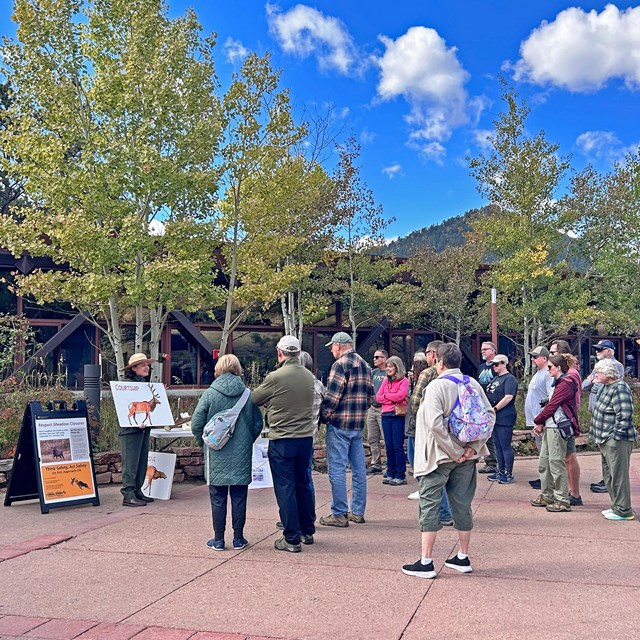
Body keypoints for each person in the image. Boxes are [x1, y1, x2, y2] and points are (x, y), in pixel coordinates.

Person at [402, 343, 495, 579]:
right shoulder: (472, 383)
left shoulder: (436, 386)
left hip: (438, 456)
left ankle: (426, 562)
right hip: (467, 456)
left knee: (430, 505)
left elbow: (433, 424)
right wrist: (470, 449)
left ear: (439, 362)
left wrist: (453, 451)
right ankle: (462, 556)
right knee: (462, 504)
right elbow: (489, 415)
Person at [191, 354, 264, 551]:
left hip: (216, 452)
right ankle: (239, 538)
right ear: (238, 369)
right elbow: (259, 423)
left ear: (218, 369)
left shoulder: (210, 394)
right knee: (239, 496)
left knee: (218, 496)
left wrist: (205, 443)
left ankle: (218, 540)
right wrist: (246, 440)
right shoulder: (248, 394)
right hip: (241, 454)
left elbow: (196, 423)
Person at [252, 336, 316, 552]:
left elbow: (254, 398)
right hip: (305, 438)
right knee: (303, 483)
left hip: (282, 438)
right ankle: (307, 530)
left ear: (279, 352)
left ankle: (291, 538)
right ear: (298, 353)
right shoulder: (309, 377)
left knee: (285, 486)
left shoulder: (275, 377)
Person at [319, 331, 374, 528]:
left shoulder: (340, 365)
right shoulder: (366, 365)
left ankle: (339, 513)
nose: (332, 350)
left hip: (340, 424)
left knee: (337, 469)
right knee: (359, 469)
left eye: (332, 346)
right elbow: (370, 397)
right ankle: (357, 512)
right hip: (358, 424)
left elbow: (332, 398)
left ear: (340, 345)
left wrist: (324, 416)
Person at [531, 354, 580, 513]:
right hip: (551, 426)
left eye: (550, 367)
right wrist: (542, 421)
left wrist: (538, 420)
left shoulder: (565, 383)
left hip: (557, 427)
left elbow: (552, 406)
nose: (548, 370)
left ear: (559, 368)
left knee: (556, 462)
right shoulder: (558, 382)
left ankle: (562, 499)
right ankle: (547, 495)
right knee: (544, 462)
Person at [589, 359, 636, 521]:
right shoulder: (607, 387)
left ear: (609, 374)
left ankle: (624, 510)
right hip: (605, 438)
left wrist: (615, 437)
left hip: (616, 440)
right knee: (609, 474)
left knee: (618, 475)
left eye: (599, 372)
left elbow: (624, 414)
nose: (596, 375)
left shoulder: (620, 388)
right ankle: (617, 506)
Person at [581, 339, 625, 494]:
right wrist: (592, 381)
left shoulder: (615, 365)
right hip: (597, 412)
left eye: (601, 349)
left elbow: (608, 384)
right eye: (597, 349)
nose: (597, 352)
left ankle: (611, 481)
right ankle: (606, 479)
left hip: (608, 415)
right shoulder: (598, 367)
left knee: (610, 450)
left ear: (609, 351)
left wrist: (593, 381)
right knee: (602, 448)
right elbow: (584, 385)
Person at [120, 353, 157, 507]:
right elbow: (123, 408)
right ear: (134, 368)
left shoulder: (145, 386)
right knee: (130, 462)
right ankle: (128, 493)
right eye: (142, 365)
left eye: (147, 364)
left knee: (141, 461)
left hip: (143, 428)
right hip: (129, 430)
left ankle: (137, 491)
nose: (146, 367)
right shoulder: (126, 386)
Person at [549, 340, 583, 505]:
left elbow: (568, 400)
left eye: (553, 353)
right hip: (565, 418)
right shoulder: (570, 372)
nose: (551, 356)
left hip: (566, 419)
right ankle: (572, 491)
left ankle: (574, 492)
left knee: (569, 457)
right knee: (567, 456)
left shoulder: (571, 374)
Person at [484, 354, 518, 484]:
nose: (495, 366)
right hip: (495, 416)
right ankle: (500, 470)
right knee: (497, 445)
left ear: (504, 364)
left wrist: (495, 408)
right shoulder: (496, 378)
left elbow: (508, 397)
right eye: (494, 364)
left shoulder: (510, 379)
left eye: (497, 364)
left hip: (505, 415)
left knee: (505, 445)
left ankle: (508, 472)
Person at [377, 355, 409, 485]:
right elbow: (378, 397)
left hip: (397, 416)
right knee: (388, 446)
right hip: (386, 415)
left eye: (391, 366)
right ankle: (390, 471)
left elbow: (401, 396)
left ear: (397, 367)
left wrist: (387, 396)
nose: (388, 368)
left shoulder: (404, 381)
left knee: (397, 446)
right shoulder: (385, 380)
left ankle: (400, 474)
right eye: (387, 366)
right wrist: (391, 398)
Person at [525, 346, 554, 490]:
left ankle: (549, 480)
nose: (533, 359)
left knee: (545, 451)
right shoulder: (538, 373)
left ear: (544, 358)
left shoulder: (547, 374)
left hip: (541, 421)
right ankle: (544, 477)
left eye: (535, 357)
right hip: (535, 420)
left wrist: (542, 420)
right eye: (532, 357)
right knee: (541, 450)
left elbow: (550, 397)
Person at [477, 341, 499, 474]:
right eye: (481, 349)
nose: (482, 351)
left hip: (495, 405)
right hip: (482, 405)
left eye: (485, 349)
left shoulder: (497, 366)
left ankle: (497, 463)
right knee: (487, 435)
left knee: (496, 435)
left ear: (493, 351)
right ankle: (490, 462)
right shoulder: (480, 367)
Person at [365, 349, 388, 475]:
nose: (374, 359)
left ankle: (389, 464)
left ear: (384, 359)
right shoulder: (373, 372)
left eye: (377, 357)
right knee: (372, 438)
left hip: (383, 408)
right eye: (374, 357)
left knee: (385, 437)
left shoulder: (388, 373)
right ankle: (376, 463)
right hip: (372, 407)